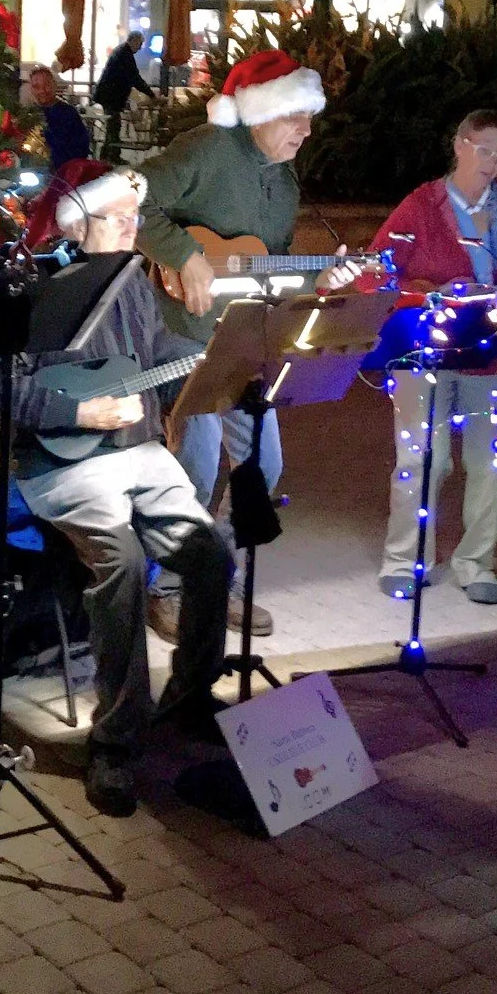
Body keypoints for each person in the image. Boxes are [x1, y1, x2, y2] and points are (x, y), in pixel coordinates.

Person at [11, 159, 232, 817]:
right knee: (124, 562)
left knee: (211, 554)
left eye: (138, 219)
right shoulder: (37, 288)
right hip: (65, 465)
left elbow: (157, 345)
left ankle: (189, 700)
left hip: (137, 453)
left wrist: (216, 353)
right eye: (121, 219)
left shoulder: (132, 280)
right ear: (80, 223)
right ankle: (115, 738)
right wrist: (79, 413)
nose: (136, 229)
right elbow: (1, 391)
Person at [135, 49, 327, 641]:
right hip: (182, 331)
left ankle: (218, 578)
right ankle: (163, 586)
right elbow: (133, 202)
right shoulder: (208, 149)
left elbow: (272, 267)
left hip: (241, 338)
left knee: (263, 464)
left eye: (309, 117)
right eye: (296, 115)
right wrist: (184, 254)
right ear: (262, 111)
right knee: (194, 458)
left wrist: (321, 280)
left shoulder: (285, 184)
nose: (306, 129)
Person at [325, 111, 497, 605]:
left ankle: (477, 562)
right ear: (460, 144)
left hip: (489, 350)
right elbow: (377, 274)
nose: (494, 163)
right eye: (485, 149)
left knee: (490, 462)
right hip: (422, 350)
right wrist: (427, 292)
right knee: (422, 458)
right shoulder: (421, 205)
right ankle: (405, 560)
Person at [92, 31, 153, 161]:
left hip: (109, 95)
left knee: (113, 126)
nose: (140, 47)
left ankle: (108, 155)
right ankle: (111, 156)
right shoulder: (124, 54)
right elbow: (135, 78)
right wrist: (151, 95)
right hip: (110, 96)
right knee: (114, 125)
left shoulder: (122, 52)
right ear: (133, 41)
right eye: (140, 43)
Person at [28, 64, 92, 170]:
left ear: (54, 85)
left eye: (46, 85)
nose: (42, 90)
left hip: (63, 172)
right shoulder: (29, 114)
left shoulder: (68, 113)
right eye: (36, 87)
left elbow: (81, 148)